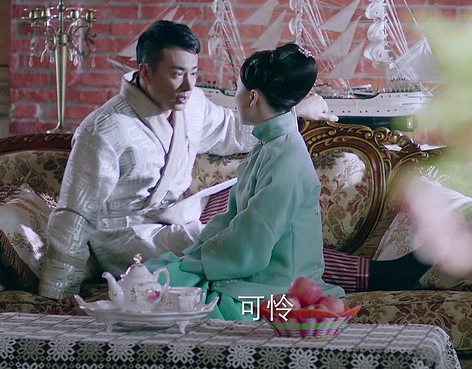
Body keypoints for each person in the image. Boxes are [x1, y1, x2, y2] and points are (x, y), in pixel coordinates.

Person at [38, 20, 428, 300]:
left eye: (194, 73)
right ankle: (370, 275)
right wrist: (56, 293)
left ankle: (333, 271)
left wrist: (291, 106)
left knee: (251, 200)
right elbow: (74, 216)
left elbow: (232, 127)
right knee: (237, 236)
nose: (189, 86)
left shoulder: (190, 103)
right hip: (127, 234)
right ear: (144, 71)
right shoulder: (103, 131)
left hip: (175, 213)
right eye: (177, 74)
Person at [146, 43, 343, 319]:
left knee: (189, 304)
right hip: (252, 272)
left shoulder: (287, 159)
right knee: (155, 280)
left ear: (252, 97)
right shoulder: (269, 145)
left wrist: (197, 263)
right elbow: (232, 219)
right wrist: (193, 256)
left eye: (236, 88)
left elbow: (252, 243)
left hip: (281, 292)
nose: (235, 96)